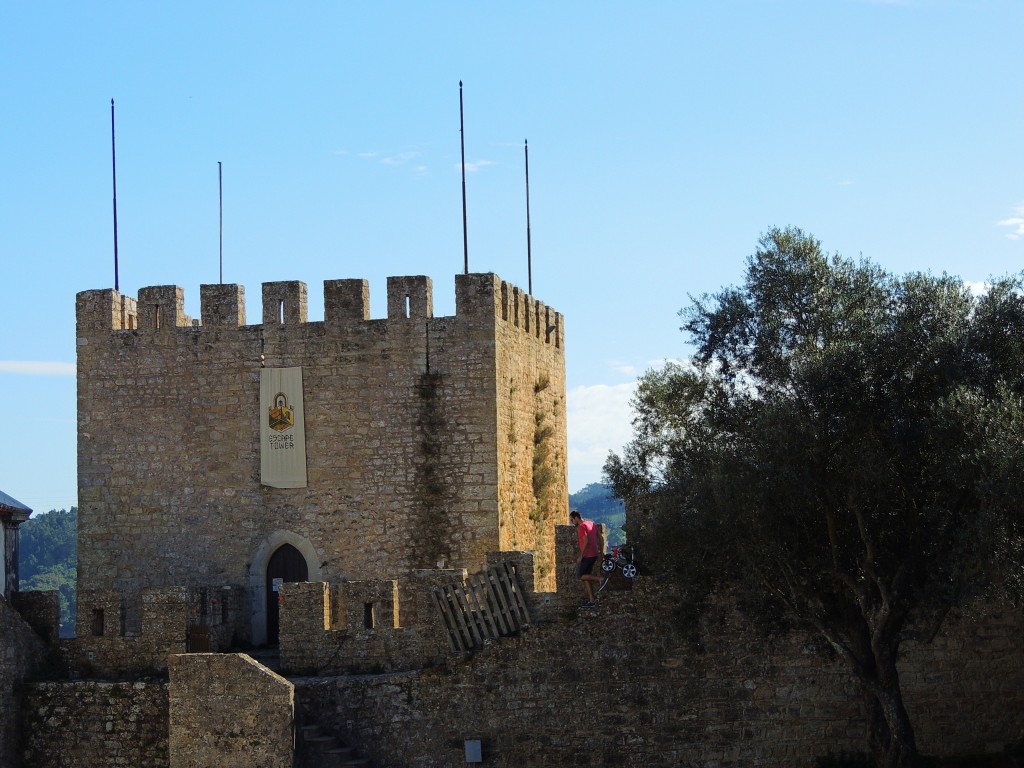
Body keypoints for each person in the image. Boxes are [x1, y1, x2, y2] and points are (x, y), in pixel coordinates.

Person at [570, 510, 608, 607]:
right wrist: (601, 551)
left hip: (587, 556)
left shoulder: (581, 527)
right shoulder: (591, 523)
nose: (571, 522)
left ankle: (601, 579)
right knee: (586, 576)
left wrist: (581, 556)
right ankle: (592, 600)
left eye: (572, 520)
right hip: (594, 554)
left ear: (576, 518)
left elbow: (586, 542)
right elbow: (600, 537)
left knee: (580, 576)